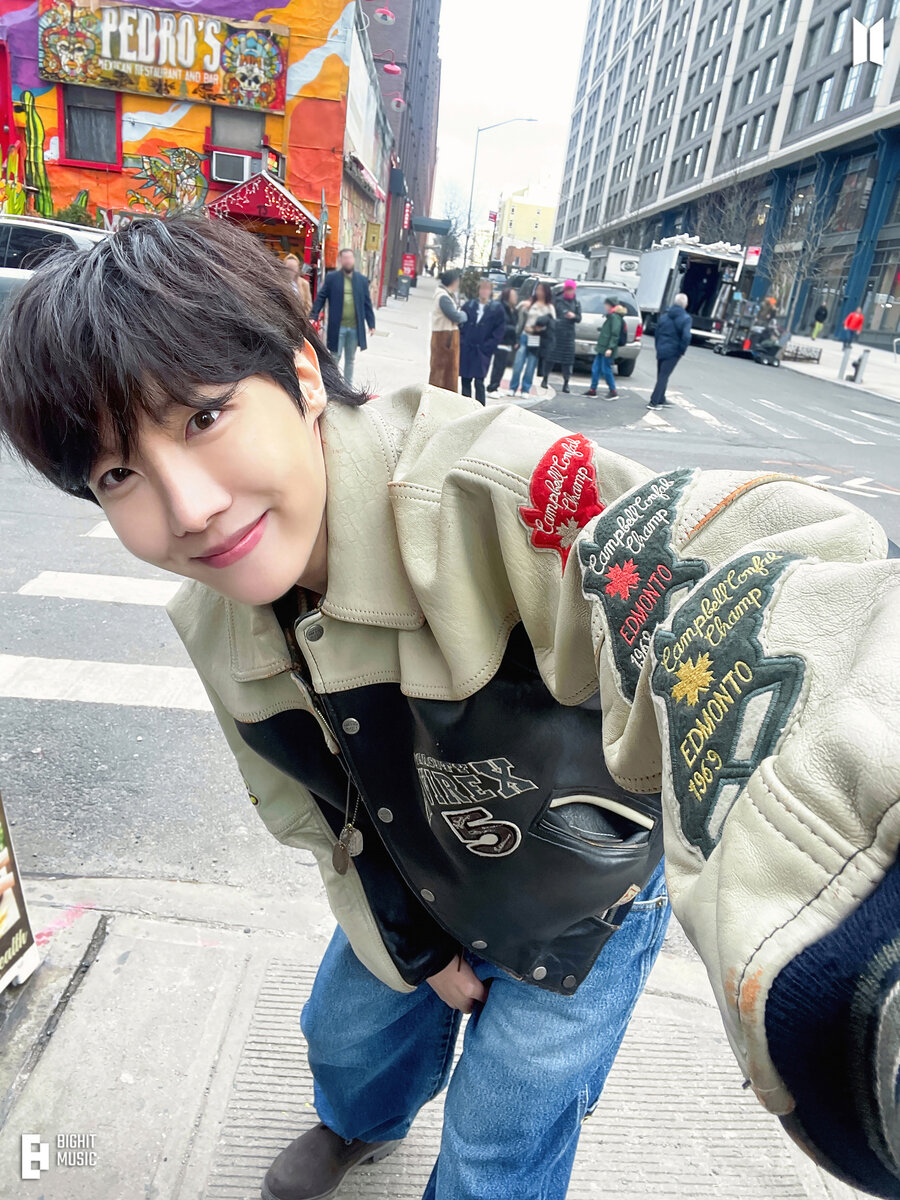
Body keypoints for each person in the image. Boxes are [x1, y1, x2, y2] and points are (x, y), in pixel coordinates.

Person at [2, 217, 898, 1200]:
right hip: (413, 858)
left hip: (585, 887)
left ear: (302, 375)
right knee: (347, 1038)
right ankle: (359, 1123)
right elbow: (319, 816)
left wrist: (853, 873)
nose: (189, 507)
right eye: (118, 473)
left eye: (203, 416)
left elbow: (732, 581)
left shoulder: (486, 487)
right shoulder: (215, 621)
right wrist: (418, 945)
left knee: (507, 1126)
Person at [310, 248, 375, 387]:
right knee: (335, 357)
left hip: (354, 328)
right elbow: (321, 297)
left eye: (350, 258)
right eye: (345, 258)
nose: (348, 261)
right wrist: (314, 315)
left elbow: (367, 303)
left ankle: (347, 387)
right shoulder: (332, 278)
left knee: (350, 359)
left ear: (353, 260)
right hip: (337, 327)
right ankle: (333, 386)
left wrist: (371, 324)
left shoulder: (361, 280)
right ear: (340, 260)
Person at [458, 278, 506, 405]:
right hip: (467, 349)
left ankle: (480, 408)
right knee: (465, 380)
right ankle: (466, 407)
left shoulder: (496, 309)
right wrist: (462, 341)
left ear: (490, 291)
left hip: (482, 351)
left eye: (487, 289)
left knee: (479, 381)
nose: (484, 291)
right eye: (482, 288)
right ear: (478, 290)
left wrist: (488, 346)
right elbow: (460, 325)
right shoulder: (469, 306)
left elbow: (499, 330)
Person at [509, 282, 555, 397]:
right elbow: (518, 312)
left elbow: (552, 324)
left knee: (530, 366)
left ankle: (525, 389)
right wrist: (524, 306)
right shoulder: (530, 303)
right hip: (524, 335)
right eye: (537, 289)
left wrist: (538, 328)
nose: (539, 292)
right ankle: (513, 387)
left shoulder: (549, 307)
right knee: (518, 364)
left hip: (537, 338)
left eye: (541, 290)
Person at [649, 292, 691, 408]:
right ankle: (654, 401)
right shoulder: (686, 318)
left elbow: (657, 332)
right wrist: (681, 351)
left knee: (661, 374)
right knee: (664, 376)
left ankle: (661, 398)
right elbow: (686, 336)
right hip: (673, 350)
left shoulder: (664, 316)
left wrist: (658, 346)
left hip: (661, 348)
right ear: (685, 305)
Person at [429, 269, 467, 391]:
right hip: (445, 338)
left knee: (443, 372)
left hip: (445, 337)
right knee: (444, 373)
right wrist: (464, 315)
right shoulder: (444, 297)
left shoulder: (444, 295)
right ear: (454, 282)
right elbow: (456, 316)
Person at [585, 297, 623, 400]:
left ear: (610, 305)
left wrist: (610, 348)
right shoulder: (611, 316)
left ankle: (613, 391)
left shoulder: (615, 317)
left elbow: (615, 334)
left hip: (607, 348)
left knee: (606, 369)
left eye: (606, 304)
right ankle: (592, 390)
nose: (605, 306)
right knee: (596, 368)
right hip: (602, 347)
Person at [547, 280, 581, 393]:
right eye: (568, 289)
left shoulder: (576, 302)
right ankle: (545, 379)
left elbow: (579, 318)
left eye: (572, 289)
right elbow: (551, 315)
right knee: (550, 358)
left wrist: (574, 316)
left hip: (569, 335)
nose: (570, 292)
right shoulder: (557, 300)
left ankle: (566, 383)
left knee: (567, 361)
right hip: (557, 333)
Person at [485, 286, 519, 396]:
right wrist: (513, 330)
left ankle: (495, 386)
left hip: (508, 341)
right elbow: (501, 325)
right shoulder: (501, 308)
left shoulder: (513, 310)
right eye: (513, 296)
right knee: (498, 366)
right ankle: (492, 388)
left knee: (502, 366)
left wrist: (515, 340)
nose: (516, 298)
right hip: (500, 341)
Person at [284, 254, 313, 319]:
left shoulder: (304, 284)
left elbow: (308, 306)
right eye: (289, 268)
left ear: (298, 269)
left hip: (299, 320)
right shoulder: (280, 282)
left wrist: (302, 318)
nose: (291, 271)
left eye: (294, 268)